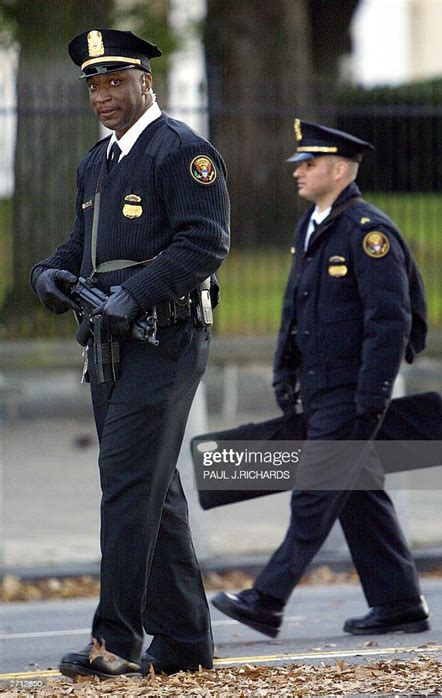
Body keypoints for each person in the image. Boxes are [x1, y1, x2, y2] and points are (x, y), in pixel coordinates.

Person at [30, 28, 230, 679]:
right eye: (94, 84)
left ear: (147, 81)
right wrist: (48, 276)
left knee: (124, 486)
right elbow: (77, 247)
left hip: (165, 339)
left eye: (116, 81)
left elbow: (205, 242)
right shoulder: (97, 163)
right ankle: (185, 641)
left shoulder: (183, 153)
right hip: (110, 348)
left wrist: (134, 295)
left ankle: (115, 641)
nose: (104, 96)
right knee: (153, 491)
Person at [212, 120, 430, 639]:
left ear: (338, 169)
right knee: (358, 495)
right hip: (321, 387)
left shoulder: (366, 232)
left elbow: (390, 319)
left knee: (314, 494)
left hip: (353, 392)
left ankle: (266, 599)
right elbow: (296, 306)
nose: (299, 172)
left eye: (309, 164)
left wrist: (374, 394)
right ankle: (400, 604)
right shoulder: (313, 225)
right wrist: (283, 371)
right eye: (298, 164)